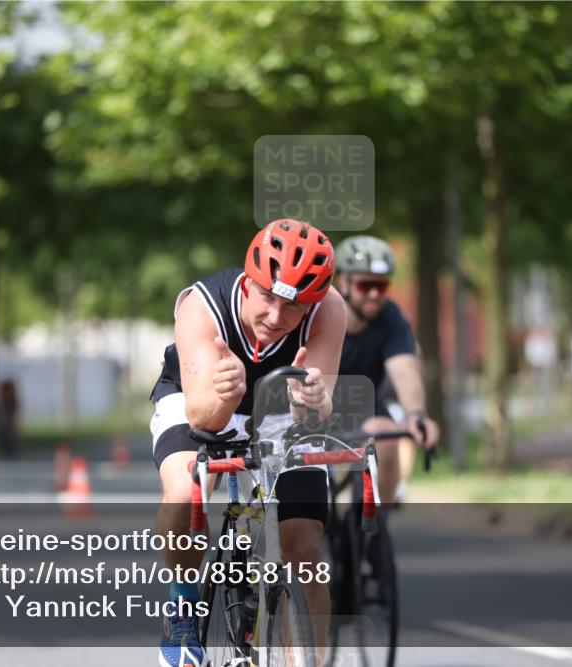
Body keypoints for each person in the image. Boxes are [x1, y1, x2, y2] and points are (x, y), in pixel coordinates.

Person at [149, 219, 346, 667]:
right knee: (186, 490)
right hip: (201, 398)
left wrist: (312, 400)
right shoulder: (201, 307)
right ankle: (181, 608)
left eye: (294, 307)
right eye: (268, 298)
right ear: (247, 281)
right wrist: (227, 393)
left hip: (276, 407)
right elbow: (203, 418)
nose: (277, 318)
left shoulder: (329, 310)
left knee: (304, 544)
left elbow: (316, 409)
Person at [334, 235, 439, 504]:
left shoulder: (390, 316)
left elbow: (404, 367)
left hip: (363, 403)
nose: (374, 294)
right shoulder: (321, 310)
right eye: (366, 284)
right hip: (315, 403)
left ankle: (377, 520)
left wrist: (416, 414)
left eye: (382, 286)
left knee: (387, 437)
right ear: (343, 283)